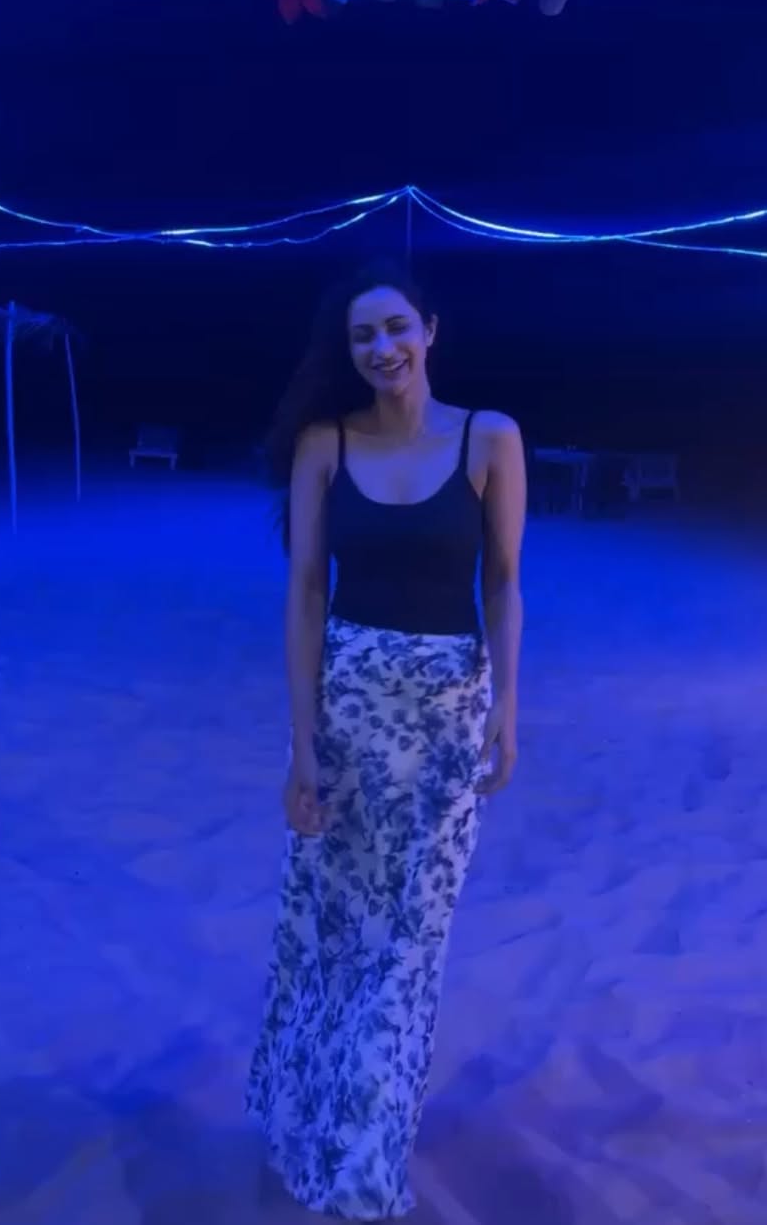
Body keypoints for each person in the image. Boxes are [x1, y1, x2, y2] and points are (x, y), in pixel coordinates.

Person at [246, 261, 526, 1220]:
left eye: (398, 326)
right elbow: (305, 593)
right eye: (364, 335)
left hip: (447, 725)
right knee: (329, 935)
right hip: (350, 717)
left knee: (409, 946)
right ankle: (312, 1129)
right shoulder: (324, 443)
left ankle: (364, 1169)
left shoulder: (490, 438)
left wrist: (507, 704)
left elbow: (503, 580)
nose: (383, 348)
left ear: (430, 329)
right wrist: (302, 743)